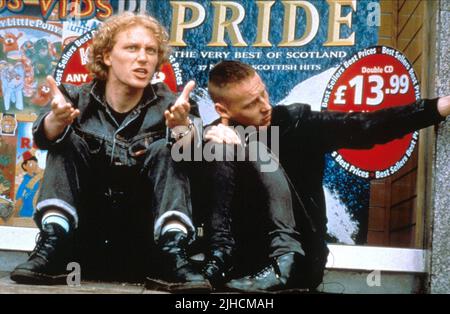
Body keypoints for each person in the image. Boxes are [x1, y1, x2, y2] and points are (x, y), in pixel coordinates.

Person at [200, 60, 450, 292]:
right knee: (219, 149)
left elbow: (366, 126)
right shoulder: (214, 138)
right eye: (251, 104)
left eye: (263, 93)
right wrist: (202, 138)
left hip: (299, 259)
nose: (265, 106)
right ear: (224, 109)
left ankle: (280, 262)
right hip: (239, 266)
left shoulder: (298, 124)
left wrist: (436, 108)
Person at [10, 12, 211, 292]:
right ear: (106, 56)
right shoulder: (74, 97)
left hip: (149, 249)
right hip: (81, 245)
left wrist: (180, 128)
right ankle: (52, 242)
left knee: (169, 148)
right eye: (132, 48)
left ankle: (173, 250)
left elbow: (197, 159)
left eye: (150, 51)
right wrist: (57, 120)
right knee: (65, 140)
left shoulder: (175, 105)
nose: (143, 58)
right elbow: (44, 138)